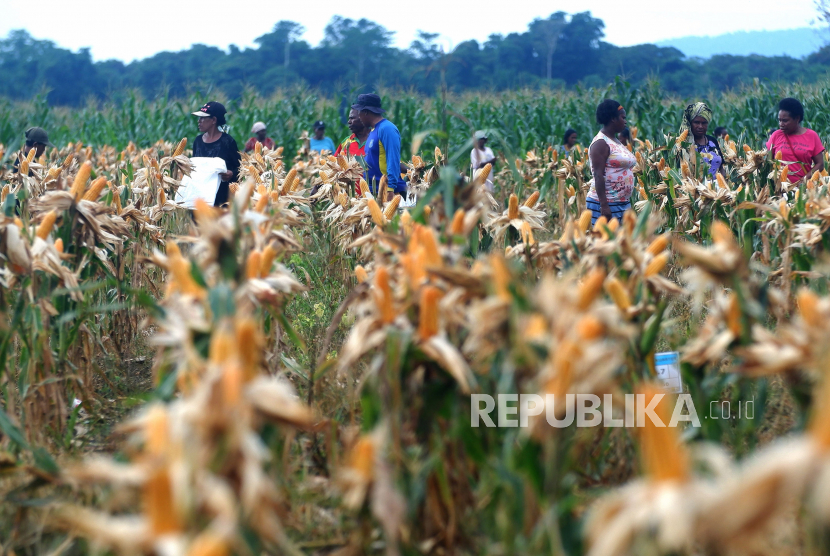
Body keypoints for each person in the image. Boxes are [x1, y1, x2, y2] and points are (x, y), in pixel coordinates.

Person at [587, 99, 637, 226]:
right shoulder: (601, 143)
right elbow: (598, 175)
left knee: (623, 244)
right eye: (623, 117)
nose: (625, 121)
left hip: (622, 203)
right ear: (613, 119)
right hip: (606, 204)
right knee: (605, 244)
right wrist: (604, 206)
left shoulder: (615, 140)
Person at [352, 94, 405, 199]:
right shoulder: (373, 130)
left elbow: (393, 160)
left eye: (359, 112)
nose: (359, 116)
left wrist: (390, 189)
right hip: (375, 192)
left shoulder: (386, 129)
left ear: (366, 112)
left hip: (391, 193)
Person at [191, 101, 241, 207]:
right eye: (199, 118)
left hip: (221, 199)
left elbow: (240, 169)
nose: (199, 121)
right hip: (200, 199)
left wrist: (231, 173)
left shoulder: (227, 142)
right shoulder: (198, 141)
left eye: (203, 118)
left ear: (214, 120)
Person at [766, 97, 825, 183]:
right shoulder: (776, 135)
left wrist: (803, 181)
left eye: (785, 121)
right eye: (779, 120)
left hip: (803, 189)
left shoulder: (812, 136)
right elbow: (768, 163)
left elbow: (820, 164)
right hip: (779, 188)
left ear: (797, 118)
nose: (781, 124)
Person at [680, 102, 725, 178]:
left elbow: (721, 167)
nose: (700, 126)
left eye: (704, 123)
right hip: (694, 188)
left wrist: (725, 185)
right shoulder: (683, 145)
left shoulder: (712, 141)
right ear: (689, 123)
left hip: (717, 188)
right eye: (696, 122)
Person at [335, 108, 371, 196]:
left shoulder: (377, 141)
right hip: (349, 200)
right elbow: (332, 167)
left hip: (372, 198)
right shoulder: (346, 142)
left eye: (352, 118)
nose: (349, 122)